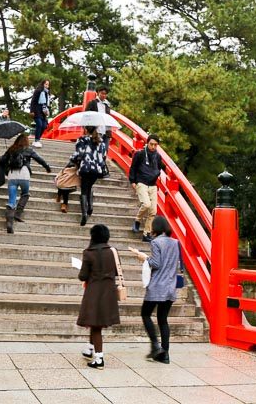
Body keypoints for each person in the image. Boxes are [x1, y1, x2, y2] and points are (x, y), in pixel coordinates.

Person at [129, 216, 180, 364]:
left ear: (155, 228)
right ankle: (165, 354)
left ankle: (155, 346)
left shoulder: (156, 242)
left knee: (145, 314)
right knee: (163, 320)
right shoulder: (176, 243)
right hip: (171, 286)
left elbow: (156, 263)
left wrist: (144, 257)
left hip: (157, 286)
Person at [77, 224, 121, 369]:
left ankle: (99, 358)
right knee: (95, 322)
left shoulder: (88, 253)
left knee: (95, 325)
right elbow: (116, 272)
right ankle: (90, 348)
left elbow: (82, 276)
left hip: (94, 292)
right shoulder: (113, 252)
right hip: (109, 292)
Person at [0, 133, 51, 233]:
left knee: (12, 200)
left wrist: (7, 156)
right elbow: (39, 159)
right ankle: (18, 214)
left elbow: (1, 160)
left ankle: (9, 221)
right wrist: (47, 167)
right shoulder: (28, 150)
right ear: (26, 141)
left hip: (12, 175)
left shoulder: (11, 149)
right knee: (25, 194)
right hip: (24, 174)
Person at [129, 134, 166, 242]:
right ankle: (137, 220)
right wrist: (132, 181)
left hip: (153, 185)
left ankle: (146, 233)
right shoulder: (140, 154)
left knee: (153, 211)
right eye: (151, 144)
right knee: (146, 204)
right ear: (147, 143)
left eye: (155, 145)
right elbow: (133, 167)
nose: (153, 147)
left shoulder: (158, 156)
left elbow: (159, 169)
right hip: (141, 183)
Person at [68, 126, 107, 227]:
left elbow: (77, 154)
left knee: (84, 190)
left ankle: (84, 213)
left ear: (86, 129)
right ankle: (90, 207)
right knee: (89, 187)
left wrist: (72, 161)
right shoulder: (101, 142)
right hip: (96, 170)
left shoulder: (82, 140)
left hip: (85, 168)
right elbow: (103, 157)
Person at [85, 85, 112, 149]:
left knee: (104, 153)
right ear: (97, 93)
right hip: (95, 132)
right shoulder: (92, 103)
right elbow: (86, 117)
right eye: (102, 93)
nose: (104, 95)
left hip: (105, 132)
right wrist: (91, 130)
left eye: (105, 94)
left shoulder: (107, 105)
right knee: (94, 152)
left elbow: (108, 119)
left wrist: (109, 133)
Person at [29, 79, 51, 147]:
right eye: (46, 84)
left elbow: (46, 104)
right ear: (42, 84)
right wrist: (32, 111)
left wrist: (47, 111)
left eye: (48, 84)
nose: (47, 86)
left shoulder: (47, 93)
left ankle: (38, 139)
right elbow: (33, 101)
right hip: (36, 110)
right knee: (39, 124)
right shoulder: (38, 91)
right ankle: (36, 141)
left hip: (43, 111)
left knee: (44, 126)